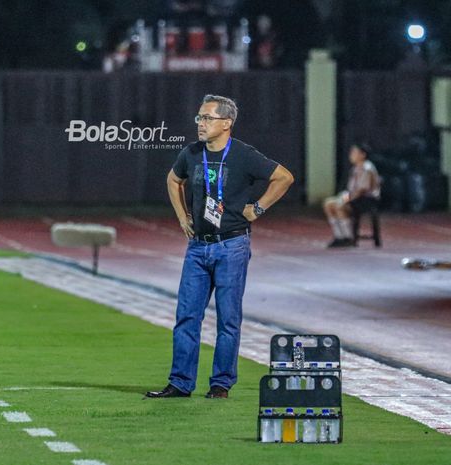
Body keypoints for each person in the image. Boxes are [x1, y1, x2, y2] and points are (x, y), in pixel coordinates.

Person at [146, 94, 294, 399]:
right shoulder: (191, 153)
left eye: (207, 118)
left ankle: (221, 384)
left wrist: (259, 207)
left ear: (226, 123)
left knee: (228, 319)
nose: (200, 124)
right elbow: (173, 180)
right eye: (199, 118)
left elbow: (283, 177)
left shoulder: (243, 155)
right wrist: (182, 215)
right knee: (187, 316)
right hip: (198, 247)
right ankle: (180, 383)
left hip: (232, 246)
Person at [323, 143, 380, 248]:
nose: (351, 155)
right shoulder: (355, 168)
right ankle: (339, 236)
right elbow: (351, 190)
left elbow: (362, 190)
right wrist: (344, 197)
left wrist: (345, 200)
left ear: (362, 154)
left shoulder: (366, 168)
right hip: (355, 197)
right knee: (329, 203)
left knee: (340, 205)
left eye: (354, 152)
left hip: (366, 199)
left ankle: (348, 237)